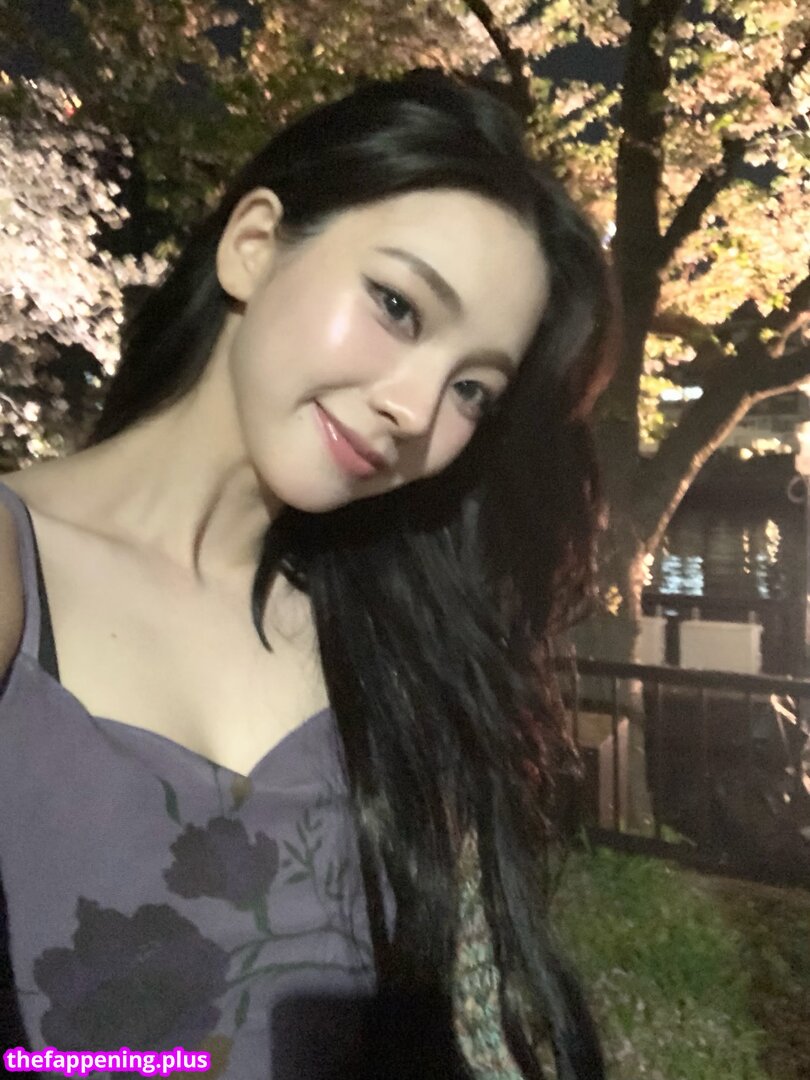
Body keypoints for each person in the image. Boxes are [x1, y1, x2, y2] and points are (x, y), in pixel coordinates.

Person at [0, 70, 615, 1078]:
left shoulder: (396, 650)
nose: (416, 409)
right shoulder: (17, 569)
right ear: (253, 245)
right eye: (398, 306)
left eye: (473, 389)